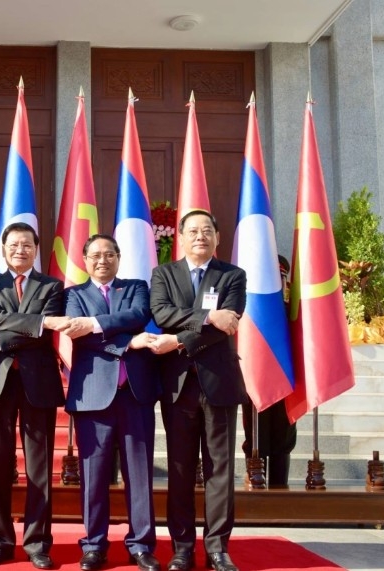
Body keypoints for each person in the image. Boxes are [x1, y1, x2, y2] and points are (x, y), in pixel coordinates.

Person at [148, 210, 247, 571]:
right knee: (180, 469)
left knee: (220, 469)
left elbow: (227, 324)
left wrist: (179, 338)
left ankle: (218, 549)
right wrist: (207, 316)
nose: (200, 236)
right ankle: (182, 548)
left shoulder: (232, 275)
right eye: (193, 231)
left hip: (219, 383)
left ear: (217, 237)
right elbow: (161, 313)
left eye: (207, 231)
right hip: (178, 385)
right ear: (181, 237)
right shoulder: (163, 274)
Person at [61, 234, 161, 571]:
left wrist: (95, 324)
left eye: (109, 254)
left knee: (140, 474)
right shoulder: (73, 295)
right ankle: (94, 545)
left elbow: (137, 315)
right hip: (92, 395)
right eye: (95, 255)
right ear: (85, 260)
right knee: (93, 476)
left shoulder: (136, 288)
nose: (102, 260)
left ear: (118, 257)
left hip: (135, 393)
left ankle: (142, 545)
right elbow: (81, 338)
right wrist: (128, 343)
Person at [0, 222, 67, 570]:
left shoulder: (52, 286)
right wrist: (32, 322)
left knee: (39, 467)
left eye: (27, 245)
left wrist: (7, 334)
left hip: (37, 382)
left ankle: (38, 542)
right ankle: (0, 540)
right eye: (13, 245)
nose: (20, 250)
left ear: (36, 249)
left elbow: (45, 330)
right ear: (3, 249)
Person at [241, 254, 296, 488]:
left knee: (283, 438)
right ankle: (256, 488)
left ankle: (280, 490)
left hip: (285, 382)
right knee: (256, 437)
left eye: (280, 277)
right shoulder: (249, 310)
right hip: (256, 381)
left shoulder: (292, 311)